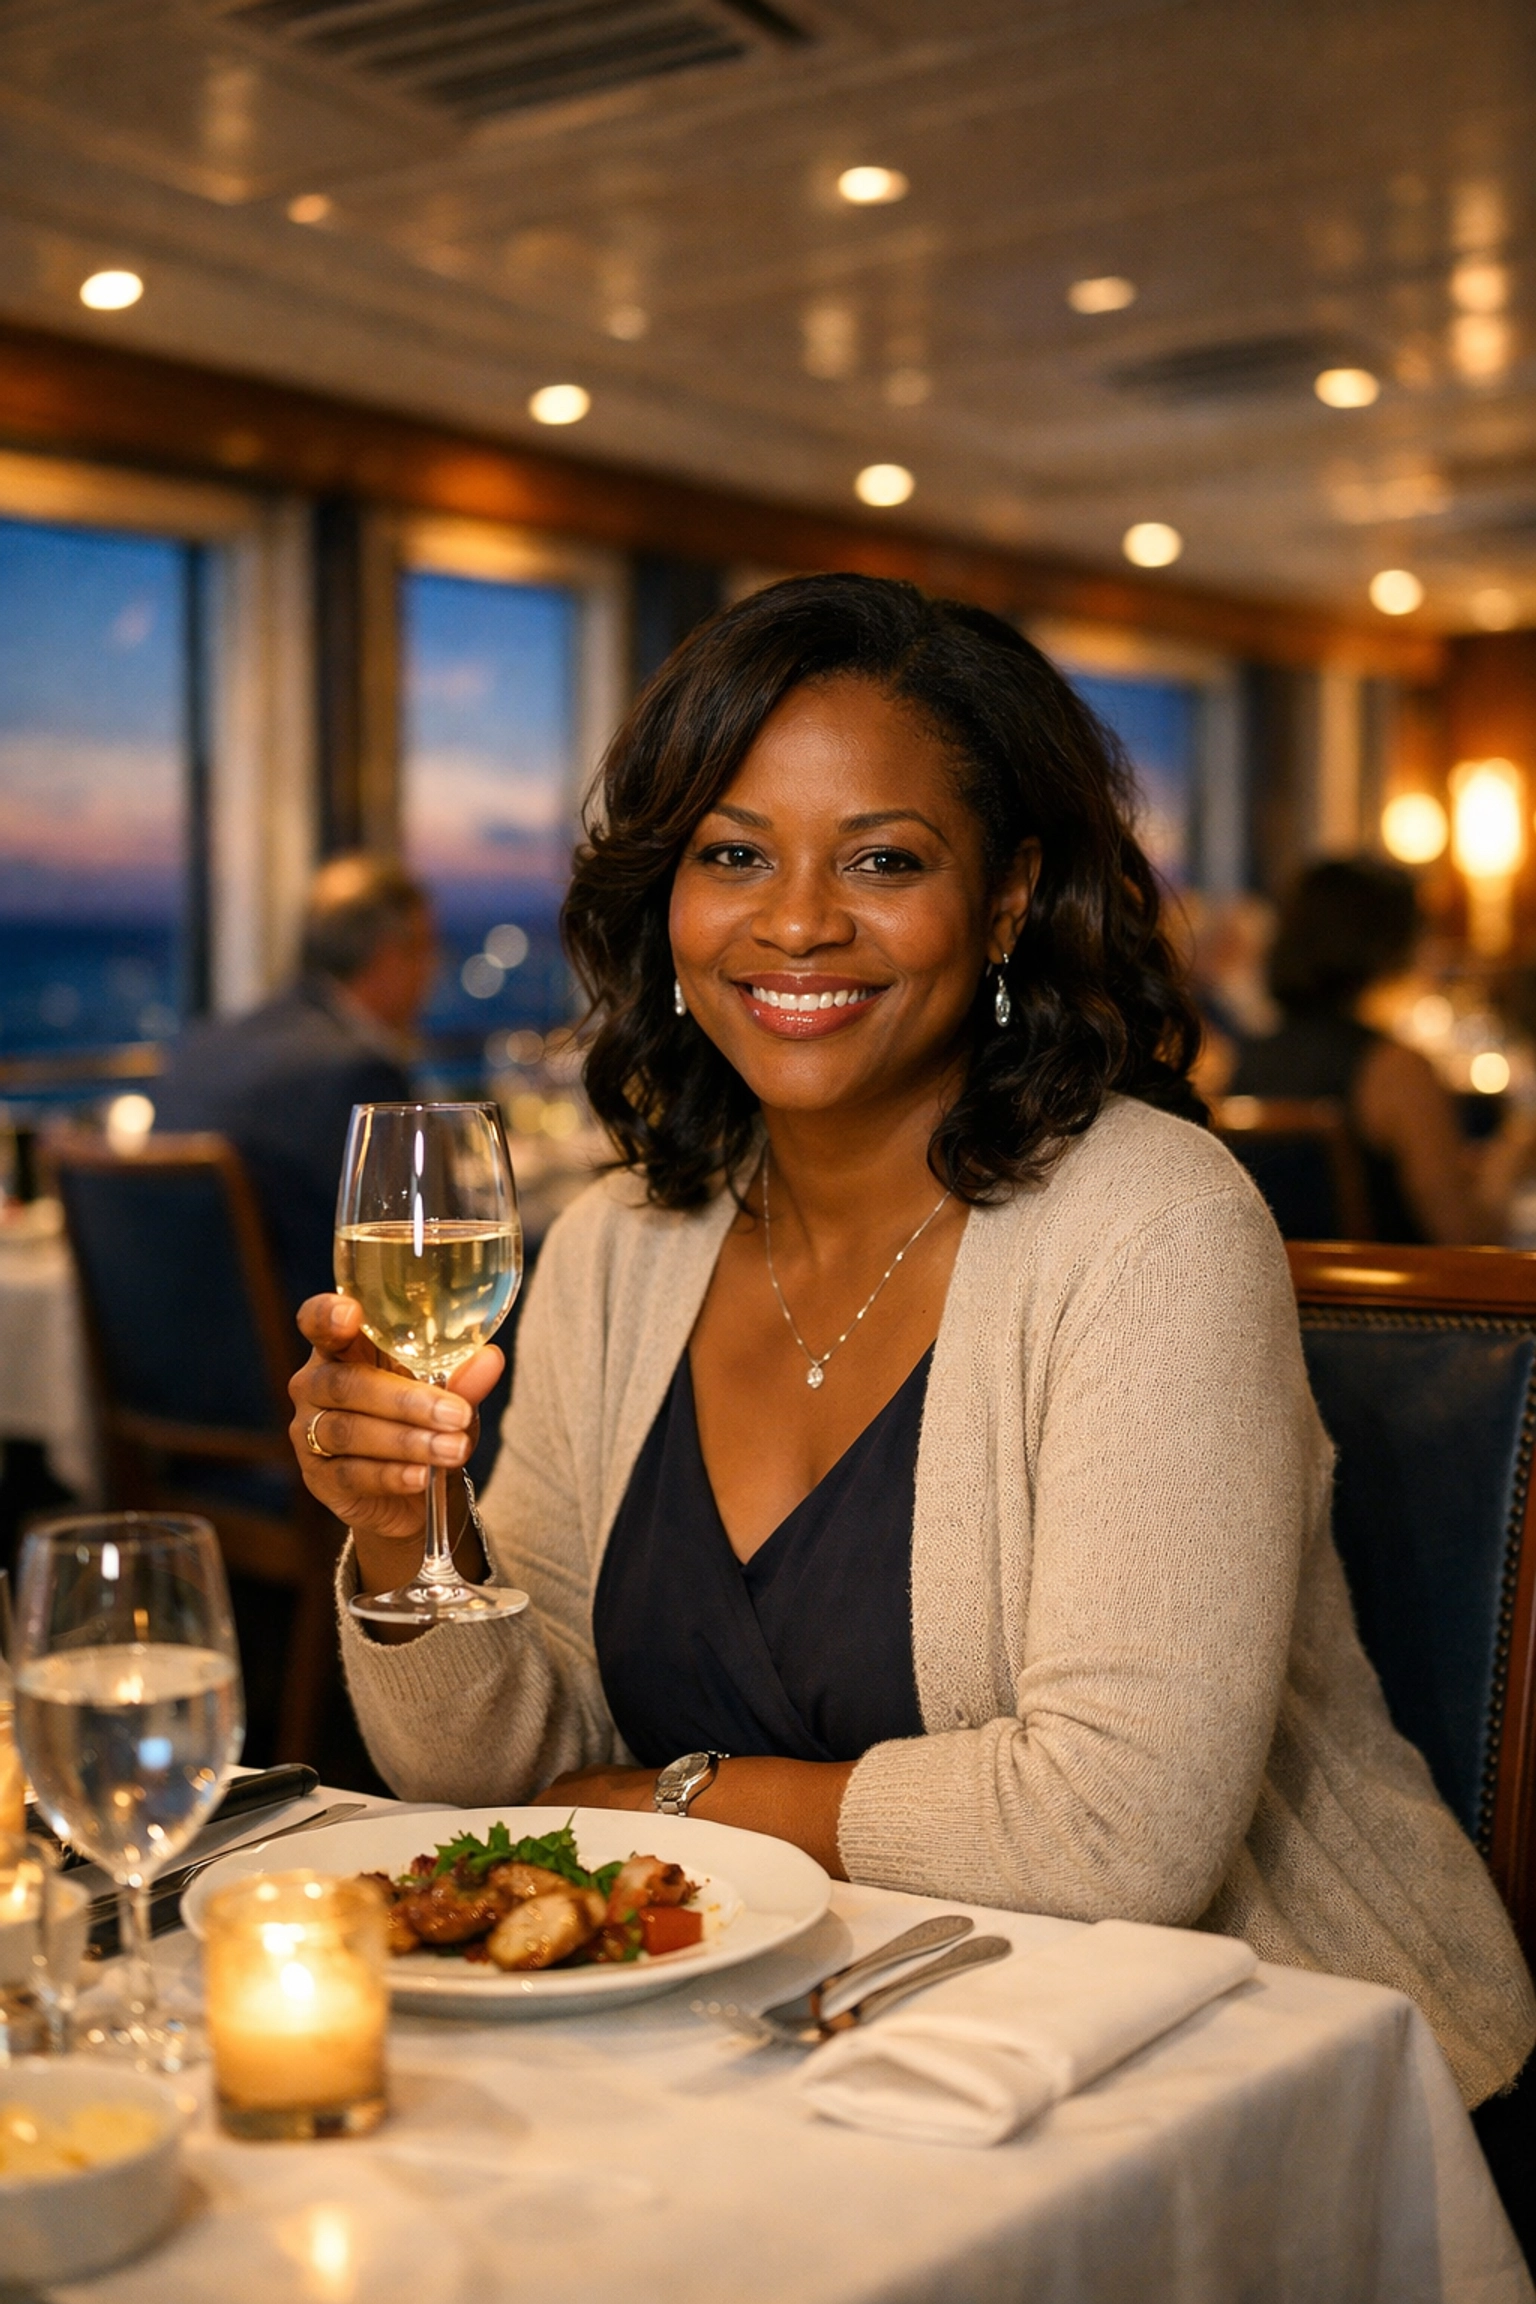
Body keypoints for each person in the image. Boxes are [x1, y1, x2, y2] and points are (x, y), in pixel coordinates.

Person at [288, 575, 1533, 2115]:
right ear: (666, 900)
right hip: (773, 2052)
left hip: (1225, 2074)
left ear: (1006, 898)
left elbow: (1115, 1832)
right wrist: (409, 1537)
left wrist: (667, 1804)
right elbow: (493, 1779)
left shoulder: (1153, 1224)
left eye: (883, 859)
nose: (798, 921)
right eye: (733, 855)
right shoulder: (623, 1244)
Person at [156, 855, 436, 1313]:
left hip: (170, 1349)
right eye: (427, 949)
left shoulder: (199, 1047)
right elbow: (410, 1247)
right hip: (308, 1357)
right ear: (389, 956)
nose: (433, 972)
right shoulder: (356, 1072)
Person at [1228, 857, 1530, 1243]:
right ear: (1386, 943)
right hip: (1387, 1298)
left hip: (1287, 1292)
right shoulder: (1395, 1070)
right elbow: (1465, 1233)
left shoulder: (1248, 1058)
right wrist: (1511, 1155)